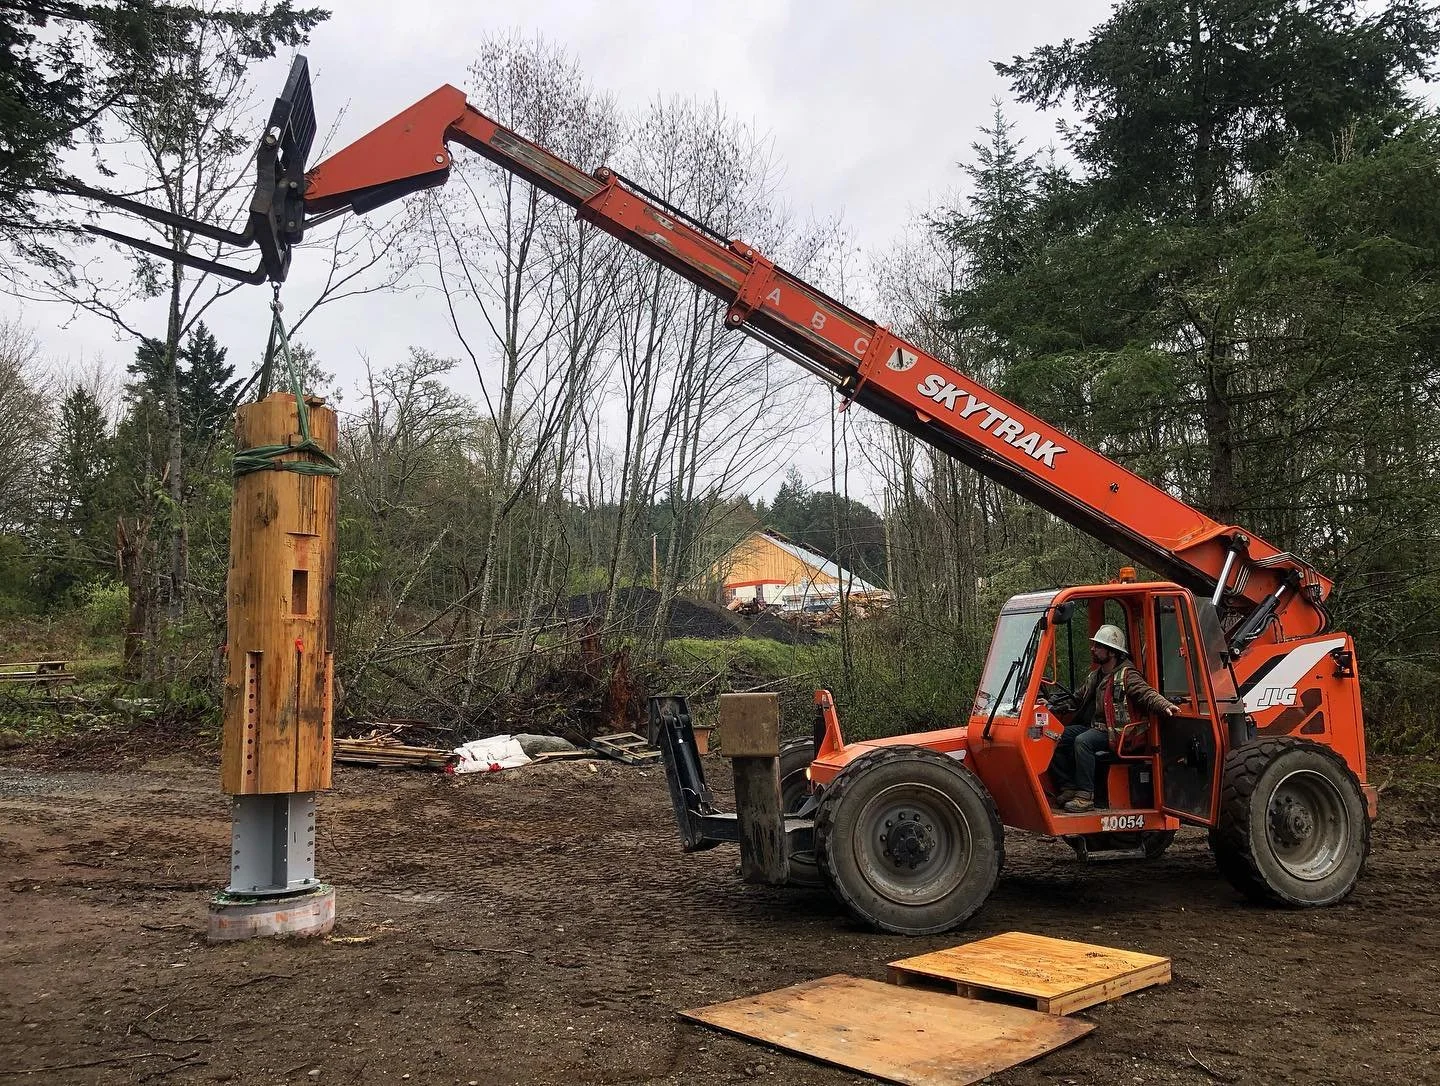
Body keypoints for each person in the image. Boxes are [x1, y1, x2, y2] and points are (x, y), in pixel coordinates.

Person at [1044, 623, 1176, 813]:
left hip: (1117, 734)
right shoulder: (1095, 676)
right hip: (1097, 728)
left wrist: (1164, 705)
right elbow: (1076, 698)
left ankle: (1085, 796)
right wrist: (1051, 703)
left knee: (1083, 742)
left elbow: (1146, 693)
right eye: (1094, 645)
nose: (1093, 649)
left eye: (1098, 646)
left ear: (1112, 652)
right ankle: (1068, 787)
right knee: (1055, 736)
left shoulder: (1127, 675)